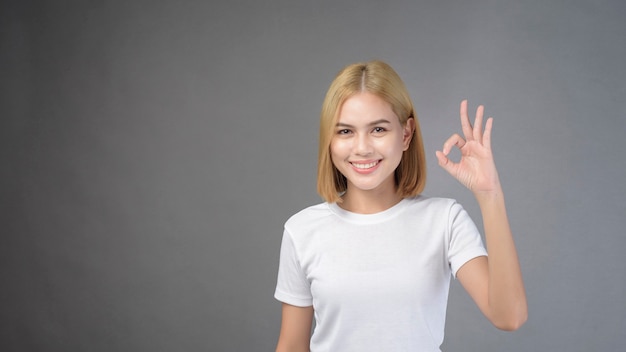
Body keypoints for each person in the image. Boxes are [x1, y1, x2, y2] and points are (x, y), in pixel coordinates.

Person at [274, 60, 527, 352]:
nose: (362, 147)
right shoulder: (301, 231)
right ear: (329, 140)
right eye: (345, 132)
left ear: (406, 134)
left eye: (378, 129)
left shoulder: (445, 220)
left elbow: (509, 316)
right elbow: (292, 345)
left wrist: (490, 194)